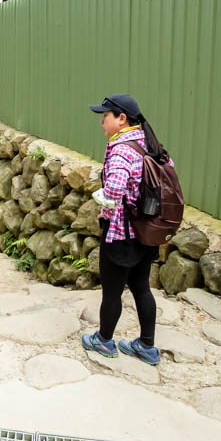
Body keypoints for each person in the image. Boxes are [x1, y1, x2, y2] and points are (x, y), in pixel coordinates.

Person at [81, 93, 167, 365]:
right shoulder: (149, 145)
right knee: (142, 287)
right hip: (146, 232)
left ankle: (104, 341)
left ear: (121, 119)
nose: (101, 122)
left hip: (120, 234)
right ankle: (147, 346)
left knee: (112, 291)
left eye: (105, 116)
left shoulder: (121, 149)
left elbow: (115, 190)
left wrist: (100, 197)